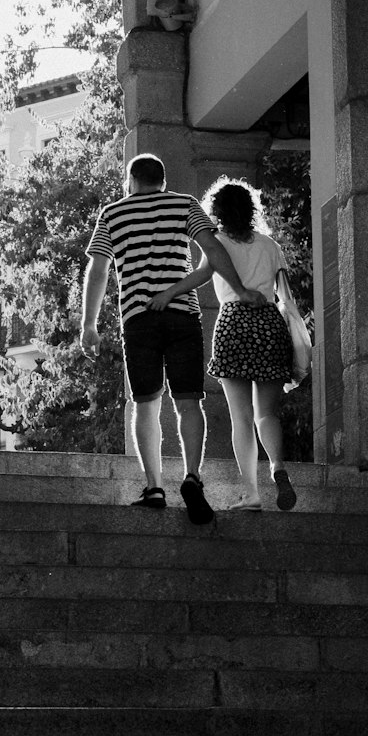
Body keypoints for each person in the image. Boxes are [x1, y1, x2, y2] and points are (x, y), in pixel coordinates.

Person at [79, 154, 268, 523]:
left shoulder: (113, 214)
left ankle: (154, 487)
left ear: (131, 180)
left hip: (139, 318)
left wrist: (89, 323)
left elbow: (98, 269)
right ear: (162, 180)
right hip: (182, 315)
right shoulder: (184, 204)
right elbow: (213, 252)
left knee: (146, 404)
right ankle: (192, 477)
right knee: (188, 402)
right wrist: (242, 290)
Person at [151, 176, 297, 512]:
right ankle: (278, 468)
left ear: (216, 211)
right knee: (267, 414)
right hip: (270, 325)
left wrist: (169, 292)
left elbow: (201, 276)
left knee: (241, 417)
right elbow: (286, 299)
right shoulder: (270, 245)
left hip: (233, 323)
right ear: (250, 210)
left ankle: (252, 493)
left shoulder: (217, 243)